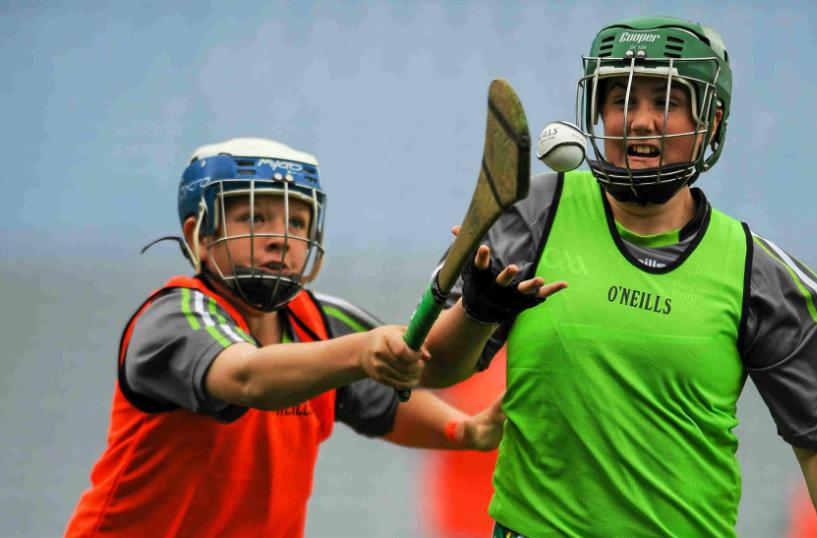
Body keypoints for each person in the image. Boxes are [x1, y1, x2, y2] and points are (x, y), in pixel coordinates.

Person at [420, 16, 817, 538]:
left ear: (711, 120)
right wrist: (476, 312)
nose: (641, 121)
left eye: (666, 102)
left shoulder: (757, 274)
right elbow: (428, 369)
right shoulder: (532, 214)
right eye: (622, 101)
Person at [64, 137, 506, 537]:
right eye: (253, 216)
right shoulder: (175, 318)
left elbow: (423, 372)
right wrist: (361, 352)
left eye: (297, 222)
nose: (280, 238)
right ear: (198, 235)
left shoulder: (319, 321)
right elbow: (247, 378)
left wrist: (477, 315)